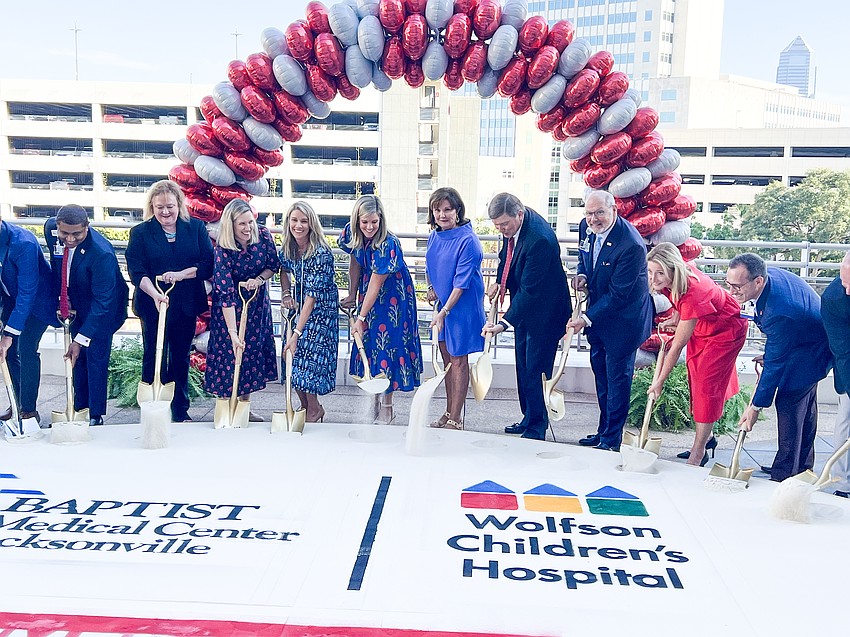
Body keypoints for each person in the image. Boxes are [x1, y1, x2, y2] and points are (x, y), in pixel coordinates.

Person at [728, 253, 832, 482]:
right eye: (729, 284)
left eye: (737, 286)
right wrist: (777, 349)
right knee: (804, 409)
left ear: (758, 281)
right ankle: (802, 468)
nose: (732, 291)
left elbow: (774, 366)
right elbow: (780, 340)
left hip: (811, 351)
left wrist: (754, 408)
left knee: (790, 405)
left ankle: (784, 475)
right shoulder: (764, 280)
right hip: (799, 338)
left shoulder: (780, 310)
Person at [646, 242, 748, 466]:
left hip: (725, 331)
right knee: (696, 378)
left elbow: (677, 347)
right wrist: (676, 316)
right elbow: (680, 303)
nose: (653, 278)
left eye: (660, 273)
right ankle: (707, 439)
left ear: (673, 268)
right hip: (705, 324)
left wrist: (659, 381)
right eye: (651, 271)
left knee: (706, 387)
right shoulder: (673, 277)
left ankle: (698, 451)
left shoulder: (693, 293)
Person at [567, 190, 653, 451]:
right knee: (601, 376)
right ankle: (603, 431)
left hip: (624, 321)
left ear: (614, 210)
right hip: (598, 318)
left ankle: (611, 439)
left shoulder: (631, 245)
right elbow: (585, 257)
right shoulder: (585, 227)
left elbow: (618, 295)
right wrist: (582, 275)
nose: (593, 220)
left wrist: (586, 318)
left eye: (600, 213)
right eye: (589, 214)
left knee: (618, 380)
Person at [482, 192, 570, 441]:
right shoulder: (511, 226)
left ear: (519, 215)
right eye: (497, 225)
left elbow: (531, 291)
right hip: (526, 308)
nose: (501, 229)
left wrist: (503, 323)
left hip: (545, 312)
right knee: (523, 366)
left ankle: (537, 426)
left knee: (536, 368)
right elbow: (505, 257)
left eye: (505, 224)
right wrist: (499, 283)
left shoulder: (539, 239)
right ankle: (528, 417)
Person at [125, 180, 214, 422]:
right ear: (152, 207)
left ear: (179, 205)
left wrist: (181, 275)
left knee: (181, 356)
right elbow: (136, 270)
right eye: (160, 207)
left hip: (185, 304)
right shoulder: (141, 233)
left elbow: (207, 264)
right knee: (153, 354)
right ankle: (152, 407)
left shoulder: (195, 228)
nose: (165, 212)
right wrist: (155, 293)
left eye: (170, 207)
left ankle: (179, 409)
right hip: (152, 303)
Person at [339, 194, 422, 424]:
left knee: (387, 344)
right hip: (367, 290)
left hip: (393, 297)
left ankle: (387, 407)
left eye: (374, 222)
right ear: (357, 220)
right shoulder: (351, 233)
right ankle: (373, 401)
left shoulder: (388, 243)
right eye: (364, 222)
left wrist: (361, 317)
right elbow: (355, 261)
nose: (369, 227)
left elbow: (377, 282)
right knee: (368, 344)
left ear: (381, 219)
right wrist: (352, 294)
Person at [44, 205, 129, 426]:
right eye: (65, 233)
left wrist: (80, 340)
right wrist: (64, 295)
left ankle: (95, 415)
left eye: (76, 234)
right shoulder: (51, 229)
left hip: (104, 308)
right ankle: (79, 407)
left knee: (95, 358)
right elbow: (57, 265)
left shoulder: (102, 253)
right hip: (77, 302)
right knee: (77, 360)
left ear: (87, 227)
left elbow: (103, 302)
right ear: (58, 226)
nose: (69, 239)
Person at [204, 199, 278, 419]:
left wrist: (258, 279)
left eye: (250, 222)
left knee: (250, 356)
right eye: (242, 224)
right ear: (231, 226)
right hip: (229, 312)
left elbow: (272, 266)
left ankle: (245, 407)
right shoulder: (223, 250)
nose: (248, 228)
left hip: (256, 308)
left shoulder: (263, 236)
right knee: (229, 356)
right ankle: (227, 407)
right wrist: (233, 333)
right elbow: (224, 293)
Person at [425, 187, 486, 431]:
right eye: (437, 210)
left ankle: (456, 418)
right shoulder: (434, 235)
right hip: (443, 305)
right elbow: (430, 266)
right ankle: (448, 411)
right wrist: (431, 288)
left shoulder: (468, 240)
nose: (442, 214)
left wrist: (444, 310)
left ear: (457, 210)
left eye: (447, 209)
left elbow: (461, 282)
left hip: (461, 306)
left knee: (459, 360)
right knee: (447, 359)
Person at [279, 201, 339, 423]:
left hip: (321, 311)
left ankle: (314, 409)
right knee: (291, 357)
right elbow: (283, 268)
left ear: (312, 224)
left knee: (307, 358)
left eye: (304, 221)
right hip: (300, 306)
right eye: (294, 220)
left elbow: (313, 298)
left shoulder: (321, 253)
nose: (299, 225)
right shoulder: (289, 248)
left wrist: (296, 333)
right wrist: (286, 293)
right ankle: (305, 407)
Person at [0, 219, 57, 437]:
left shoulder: (23, 243)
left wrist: (9, 334)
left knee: (25, 348)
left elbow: (27, 293)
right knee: (8, 354)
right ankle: (16, 403)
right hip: (10, 298)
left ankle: (29, 411)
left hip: (37, 302)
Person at [819, 251, 850, 497]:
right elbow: (842, 349)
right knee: (846, 420)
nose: (847, 289)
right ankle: (842, 483)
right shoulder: (834, 299)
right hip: (849, 360)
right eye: (844, 281)